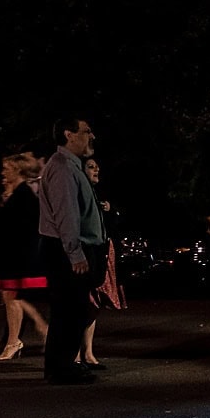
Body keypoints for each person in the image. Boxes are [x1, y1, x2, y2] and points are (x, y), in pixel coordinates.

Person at [36, 116, 107, 383]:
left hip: (68, 249)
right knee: (69, 310)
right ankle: (60, 368)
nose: (91, 136)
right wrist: (75, 253)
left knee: (74, 310)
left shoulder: (70, 166)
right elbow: (66, 215)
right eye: (86, 131)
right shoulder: (64, 168)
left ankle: (64, 365)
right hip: (65, 251)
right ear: (69, 135)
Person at [0, 151, 49, 361]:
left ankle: (18, 339)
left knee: (12, 296)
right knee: (11, 296)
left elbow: (15, 225)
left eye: (7, 169)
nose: (3, 173)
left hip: (19, 254)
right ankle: (19, 338)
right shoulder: (18, 194)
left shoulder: (24, 195)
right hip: (15, 253)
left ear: (18, 171)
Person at [80, 155, 126, 366]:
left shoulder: (100, 195)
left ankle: (88, 352)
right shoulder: (81, 193)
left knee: (95, 303)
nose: (96, 170)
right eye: (91, 167)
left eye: (97, 167)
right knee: (84, 302)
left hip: (104, 253)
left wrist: (110, 210)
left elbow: (113, 224)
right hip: (89, 253)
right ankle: (76, 353)